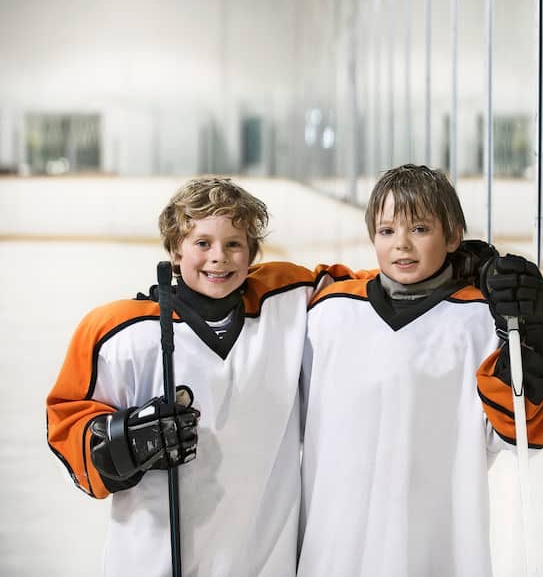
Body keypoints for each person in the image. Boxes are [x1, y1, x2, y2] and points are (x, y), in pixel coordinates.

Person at [46, 176, 356, 577]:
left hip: (262, 558)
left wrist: (448, 274)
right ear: (176, 250)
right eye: (202, 243)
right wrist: (121, 443)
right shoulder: (121, 332)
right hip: (153, 558)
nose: (219, 257)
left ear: (252, 253)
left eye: (234, 244)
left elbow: (357, 290)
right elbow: (67, 420)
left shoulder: (287, 298)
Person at [298, 164, 543, 577]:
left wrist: (527, 346)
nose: (401, 245)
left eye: (419, 229)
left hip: (438, 549)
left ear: (454, 236)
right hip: (335, 550)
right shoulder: (330, 311)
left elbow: (522, 434)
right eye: (387, 231)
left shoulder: (479, 319)